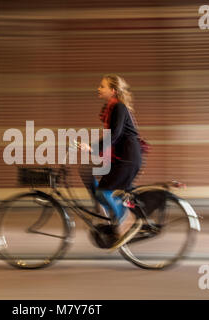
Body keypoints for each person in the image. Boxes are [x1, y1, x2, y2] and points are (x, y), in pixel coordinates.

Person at [79, 74, 143, 249]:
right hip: (121, 157)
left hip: (127, 158)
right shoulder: (111, 108)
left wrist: (93, 147)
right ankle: (102, 209)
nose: (98, 89)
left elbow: (114, 135)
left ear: (113, 90)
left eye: (102, 86)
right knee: (87, 170)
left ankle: (126, 217)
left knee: (103, 192)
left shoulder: (119, 107)